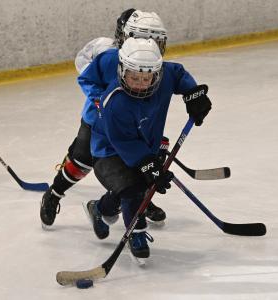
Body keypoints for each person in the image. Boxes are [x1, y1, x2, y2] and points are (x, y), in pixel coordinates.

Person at [85, 37, 211, 261]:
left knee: (134, 187)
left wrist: (194, 94)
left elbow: (179, 74)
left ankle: (100, 208)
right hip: (109, 153)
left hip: (142, 145)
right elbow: (124, 142)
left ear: (157, 73)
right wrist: (149, 165)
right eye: (134, 78)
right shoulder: (115, 102)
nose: (141, 83)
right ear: (122, 71)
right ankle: (137, 233)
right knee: (132, 189)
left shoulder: (164, 78)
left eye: (147, 78)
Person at [40, 9, 168, 227]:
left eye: (154, 39)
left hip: (134, 125)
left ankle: (140, 201)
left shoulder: (150, 61)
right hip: (97, 121)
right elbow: (84, 68)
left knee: (142, 163)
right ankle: (54, 193)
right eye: (144, 38)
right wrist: (101, 98)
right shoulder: (106, 51)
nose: (149, 43)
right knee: (81, 161)